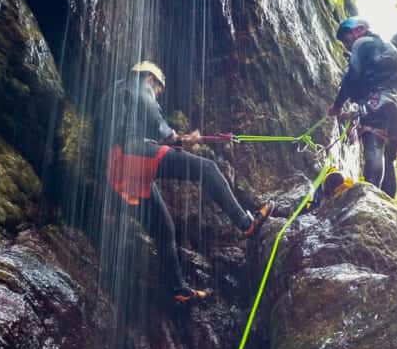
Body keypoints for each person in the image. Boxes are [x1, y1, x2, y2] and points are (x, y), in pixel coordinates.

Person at [101, 61, 275, 303]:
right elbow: (153, 114)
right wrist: (176, 137)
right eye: (159, 89)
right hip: (133, 152)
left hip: (116, 166)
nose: (158, 94)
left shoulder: (115, 92)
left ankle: (178, 289)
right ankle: (247, 223)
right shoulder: (138, 86)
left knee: (164, 228)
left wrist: (179, 138)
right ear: (151, 79)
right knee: (207, 168)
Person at [328, 17, 397, 198]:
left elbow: (353, 76)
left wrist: (337, 105)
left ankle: (370, 198)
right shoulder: (390, 50)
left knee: (374, 149)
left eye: (346, 38)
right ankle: (388, 202)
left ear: (358, 30)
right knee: (389, 160)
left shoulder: (362, 43)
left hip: (376, 102)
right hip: (396, 106)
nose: (346, 45)